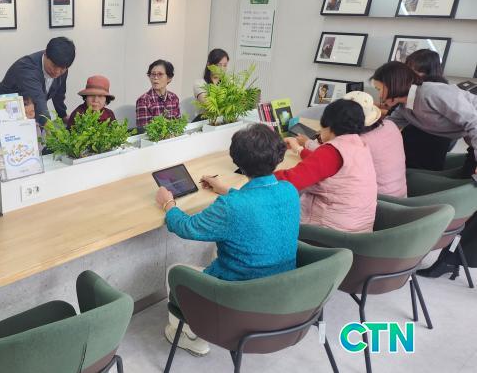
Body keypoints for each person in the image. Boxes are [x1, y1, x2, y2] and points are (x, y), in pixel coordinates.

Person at [155, 123, 300, 356]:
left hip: (239, 300)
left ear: (237, 160)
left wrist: (168, 203)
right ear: (278, 156)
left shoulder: (231, 207)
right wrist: (225, 189)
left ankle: (191, 335)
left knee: (175, 270)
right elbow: (254, 202)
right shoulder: (289, 190)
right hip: (280, 293)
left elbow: (187, 227)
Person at [275, 99, 377, 233]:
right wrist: (299, 150)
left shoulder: (331, 152)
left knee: (272, 213)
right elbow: (323, 165)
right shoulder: (359, 145)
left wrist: (257, 173)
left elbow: (291, 180)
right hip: (358, 230)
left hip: (329, 234)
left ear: (329, 125)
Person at [373, 61, 477, 178]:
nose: (379, 96)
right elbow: (386, 128)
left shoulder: (432, 93)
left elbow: (474, 122)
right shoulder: (404, 108)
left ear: (393, 85)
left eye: (379, 89)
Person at [0, 37, 76, 126]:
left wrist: (63, 115)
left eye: (62, 69)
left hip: (29, 111)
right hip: (6, 112)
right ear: (45, 54)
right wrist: (50, 128)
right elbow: (38, 99)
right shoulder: (27, 68)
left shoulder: (62, 67)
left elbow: (59, 94)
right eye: (54, 66)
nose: (57, 72)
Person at [399, 50, 455, 170]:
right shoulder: (418, 90)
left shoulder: (427, 93)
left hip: (419, 161)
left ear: (429, 72)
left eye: (416, 71)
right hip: (430, 157)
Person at [136, 59, 181, 128]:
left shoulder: (174, 98)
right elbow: (145, 130)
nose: (155, 78)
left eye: (160, 74)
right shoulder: (143, 100)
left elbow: (178, 124)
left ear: (169, 78)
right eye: (153, 74)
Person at [192, 49, 229, 122]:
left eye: (225, 65)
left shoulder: (227, 83)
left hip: (222, 120)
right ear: (209, 65)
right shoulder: (199, 83)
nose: (222, 69)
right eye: (218, 65)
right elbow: (209, 106)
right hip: (204, 121)